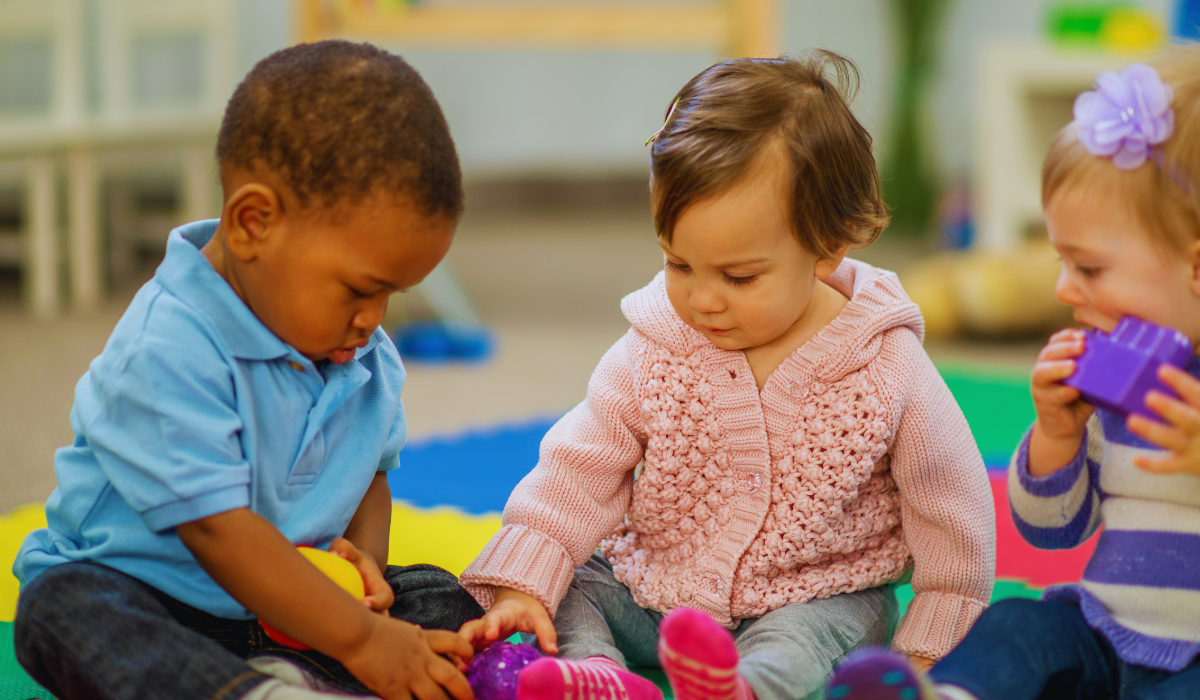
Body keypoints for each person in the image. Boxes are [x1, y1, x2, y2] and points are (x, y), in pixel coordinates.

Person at [456, 51, 995, 700]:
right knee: (575, 583)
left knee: (811, 641)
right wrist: (525, 581)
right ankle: (598, 675)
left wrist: (937, 641)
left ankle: (742, 689)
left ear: (829, 247)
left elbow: (950, 508)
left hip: (815, 595)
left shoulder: (885, 363)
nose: (703, 299)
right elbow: (579, 467)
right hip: (655, 588)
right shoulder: (654, 346)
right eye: (679, 264)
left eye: (738, 277)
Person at [12, 41, 483, 700]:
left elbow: (371, 470)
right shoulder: (167, 349)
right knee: (60, 613)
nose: (374, 318)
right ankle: (255, 691)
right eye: (357, 289)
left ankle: (299, 673)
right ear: (253, 223)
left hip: (292, 609)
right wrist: (360, 639)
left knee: (446, 597)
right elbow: (217, 531)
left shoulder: (360, 351)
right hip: (154, 596)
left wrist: (363, 572)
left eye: (392, 296)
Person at [825, 45, 1200, 700]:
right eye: (1060, 261)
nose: (1063, 288)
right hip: (1105, 631)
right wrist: (1057, 437)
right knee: (1019, 623)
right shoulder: (1116, 385)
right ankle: (953, 694)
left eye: (1088, 268)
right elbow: (1054, 531)